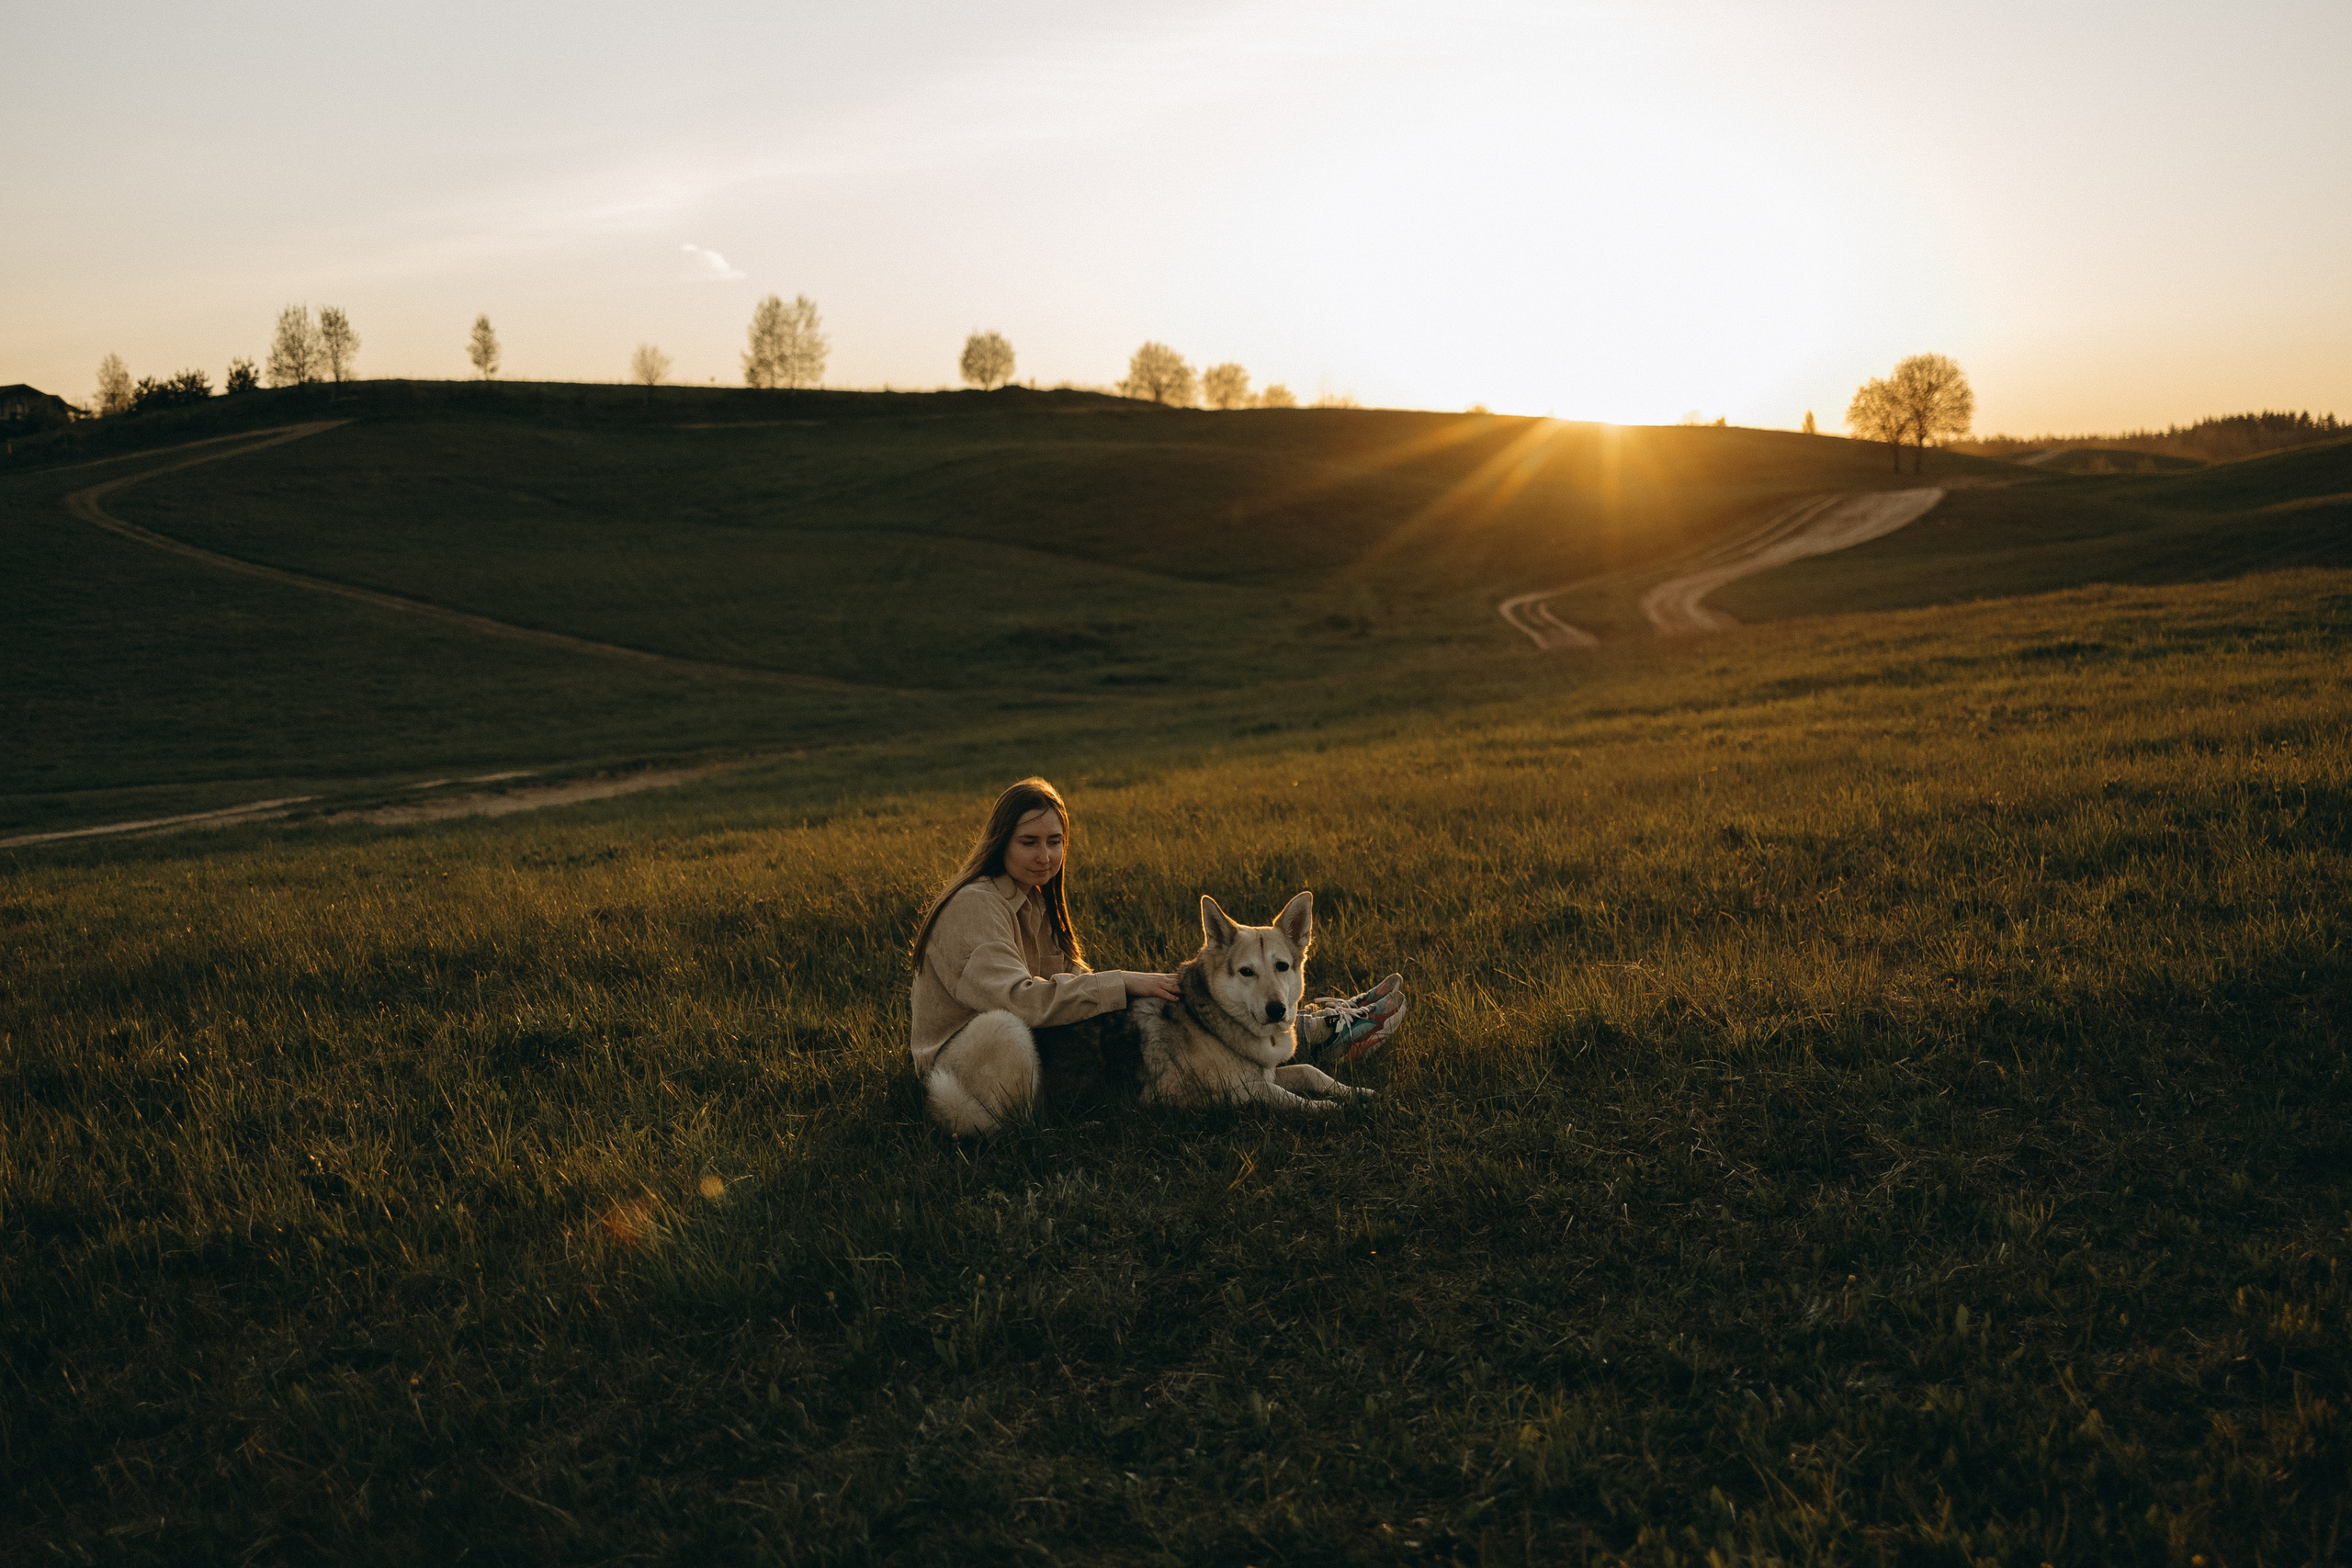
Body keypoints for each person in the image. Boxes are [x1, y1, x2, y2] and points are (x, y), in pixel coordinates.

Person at [909, 776, 1405, 1134]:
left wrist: (1135, 995)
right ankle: (1322, 1029)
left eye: (1055, 842)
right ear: (1001, 843)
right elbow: (1017, 1000)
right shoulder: (977, 905)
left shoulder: (1032, 900)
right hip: (965, 1063)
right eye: (1029, 842)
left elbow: (1067, 979)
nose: (1045, 856)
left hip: (1031, 1055)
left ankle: (1315, 1023)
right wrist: (1122, 982)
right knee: (1006, 1028)